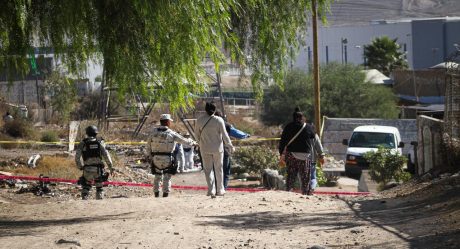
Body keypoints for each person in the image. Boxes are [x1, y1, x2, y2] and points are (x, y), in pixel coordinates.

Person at [146, 114, 196, 197]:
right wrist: (194, 143)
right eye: (170, 121)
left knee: (157, 176)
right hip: (167, 158)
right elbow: (184, 141)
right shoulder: (171, 133)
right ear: (167, 122)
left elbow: (148, 146)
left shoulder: (153, 133)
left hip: (156, 158)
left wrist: (150, 157)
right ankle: (165, 195)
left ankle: (156, 195)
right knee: (167, 177)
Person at [195, 102, 234, 198]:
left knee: (208, 170)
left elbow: (196, 135)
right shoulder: (219, 120)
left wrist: (200, 143)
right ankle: (220, 190)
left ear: (205, 109)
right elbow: (225, 135)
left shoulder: (199, 120)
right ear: (215, 110)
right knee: (219, 169)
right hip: (217, 149)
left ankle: (211, 190)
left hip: (205, 148)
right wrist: (230, 146)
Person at [279, 107, 315, 195]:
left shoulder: (288, 126)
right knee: (305, 176)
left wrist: (281, 153)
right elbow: (313, 136)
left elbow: (282, 141)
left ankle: (288, 191)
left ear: (293, 117)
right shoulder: (308, 127)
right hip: (305, 155)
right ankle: (306, 192)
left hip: (291, 155)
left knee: (291, 174)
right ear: (302, 117)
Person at [75, 125, 114, 200]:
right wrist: (111, 167)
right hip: (98, 170)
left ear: (87, 133)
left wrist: (80, 167)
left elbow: (77, 157)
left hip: (87, 170)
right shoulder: (100, 142)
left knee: (86, 187)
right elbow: (106, 155)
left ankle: (84, 202)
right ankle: (98, 204)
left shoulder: (83, 143)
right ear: (96, 133)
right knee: (99, 188)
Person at [214, 110, 250, 190]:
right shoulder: (225, 124)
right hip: (223, 150)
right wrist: (246, 135)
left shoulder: (208, 125)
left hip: (210, 151)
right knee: (225, 171)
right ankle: (222, 189)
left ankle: (215, 188)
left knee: (215, 170)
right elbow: (236, 133)